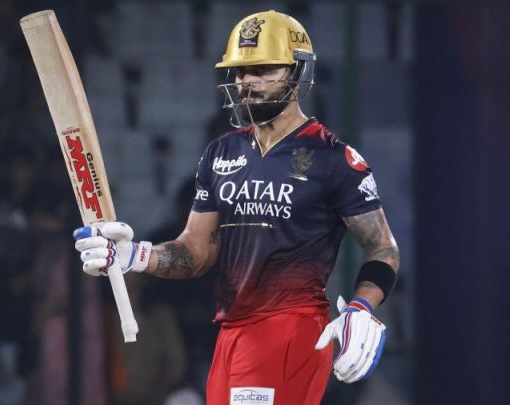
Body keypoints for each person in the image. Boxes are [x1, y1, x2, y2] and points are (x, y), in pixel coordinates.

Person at [73, 10, 400, 405]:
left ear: (297, 72)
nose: (247, 82)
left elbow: (383, 248)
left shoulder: (334, 158)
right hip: (231, 334)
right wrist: (132, 256)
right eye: (242, 71)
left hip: (289, 329)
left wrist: (362, 307)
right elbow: (195, 251)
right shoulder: (221, 152)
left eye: (262, 70)